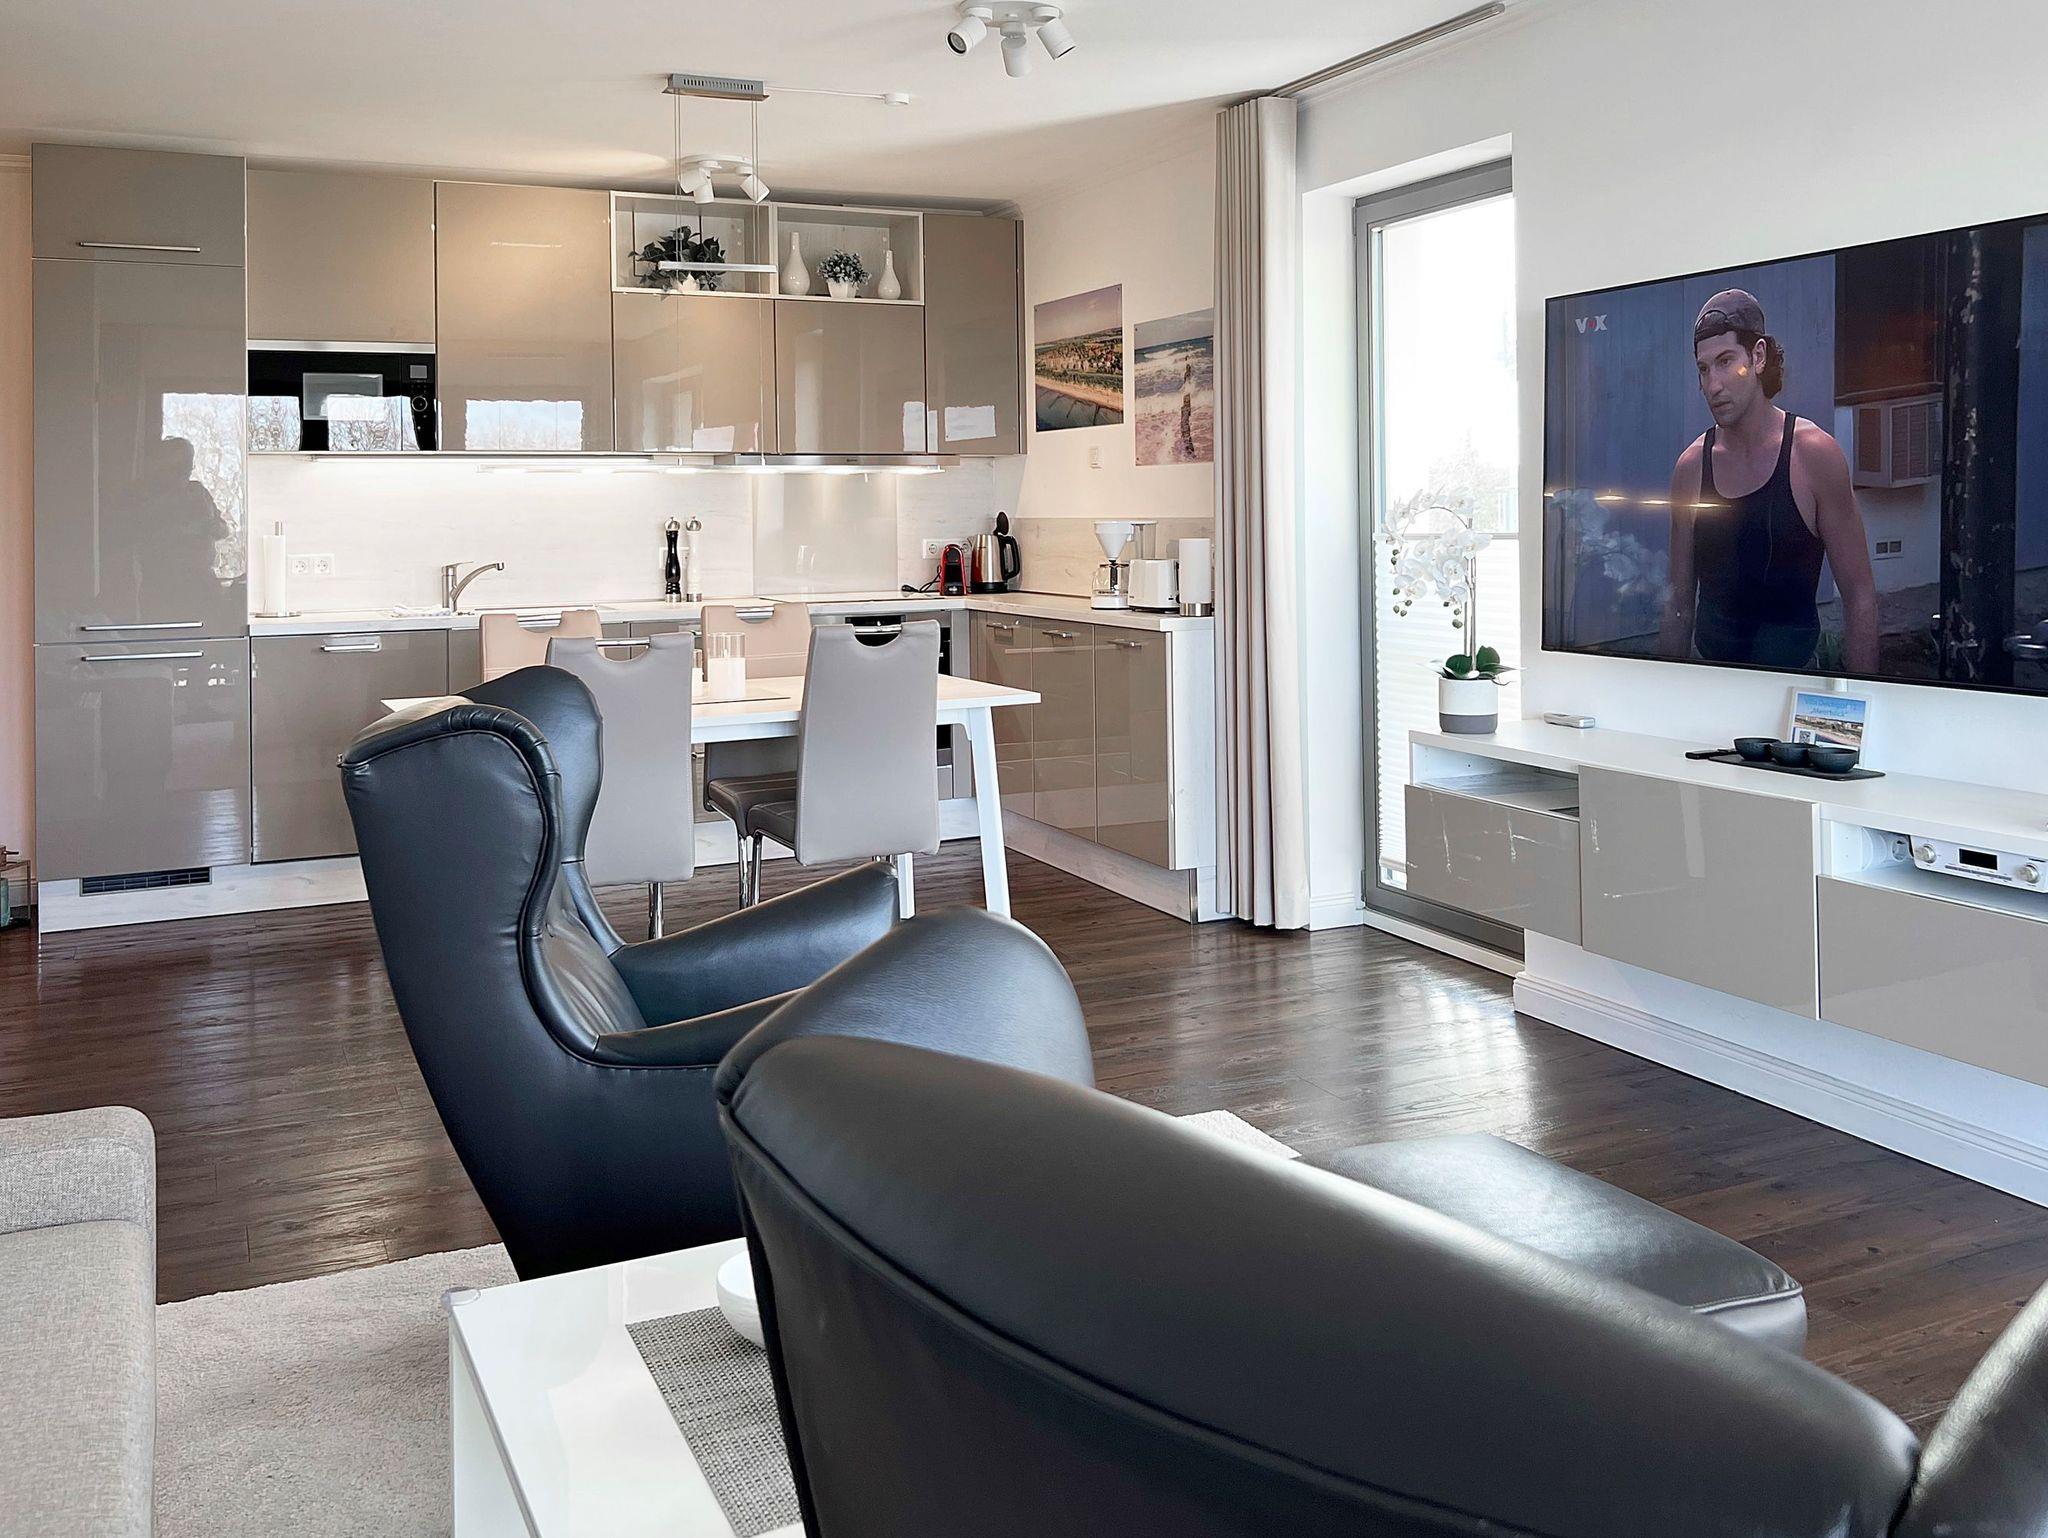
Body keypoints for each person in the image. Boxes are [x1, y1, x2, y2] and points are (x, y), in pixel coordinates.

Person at [1658, 290, 1878, 673]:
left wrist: (1859, 699)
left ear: (1758, 357)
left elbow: (1860, 597)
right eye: (1704, 369)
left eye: (1725, 362)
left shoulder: (1813, 455)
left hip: (1793, 683)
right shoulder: (1691, 468)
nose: (1713, 385)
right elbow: (1679, 604)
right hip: (1711, 683)